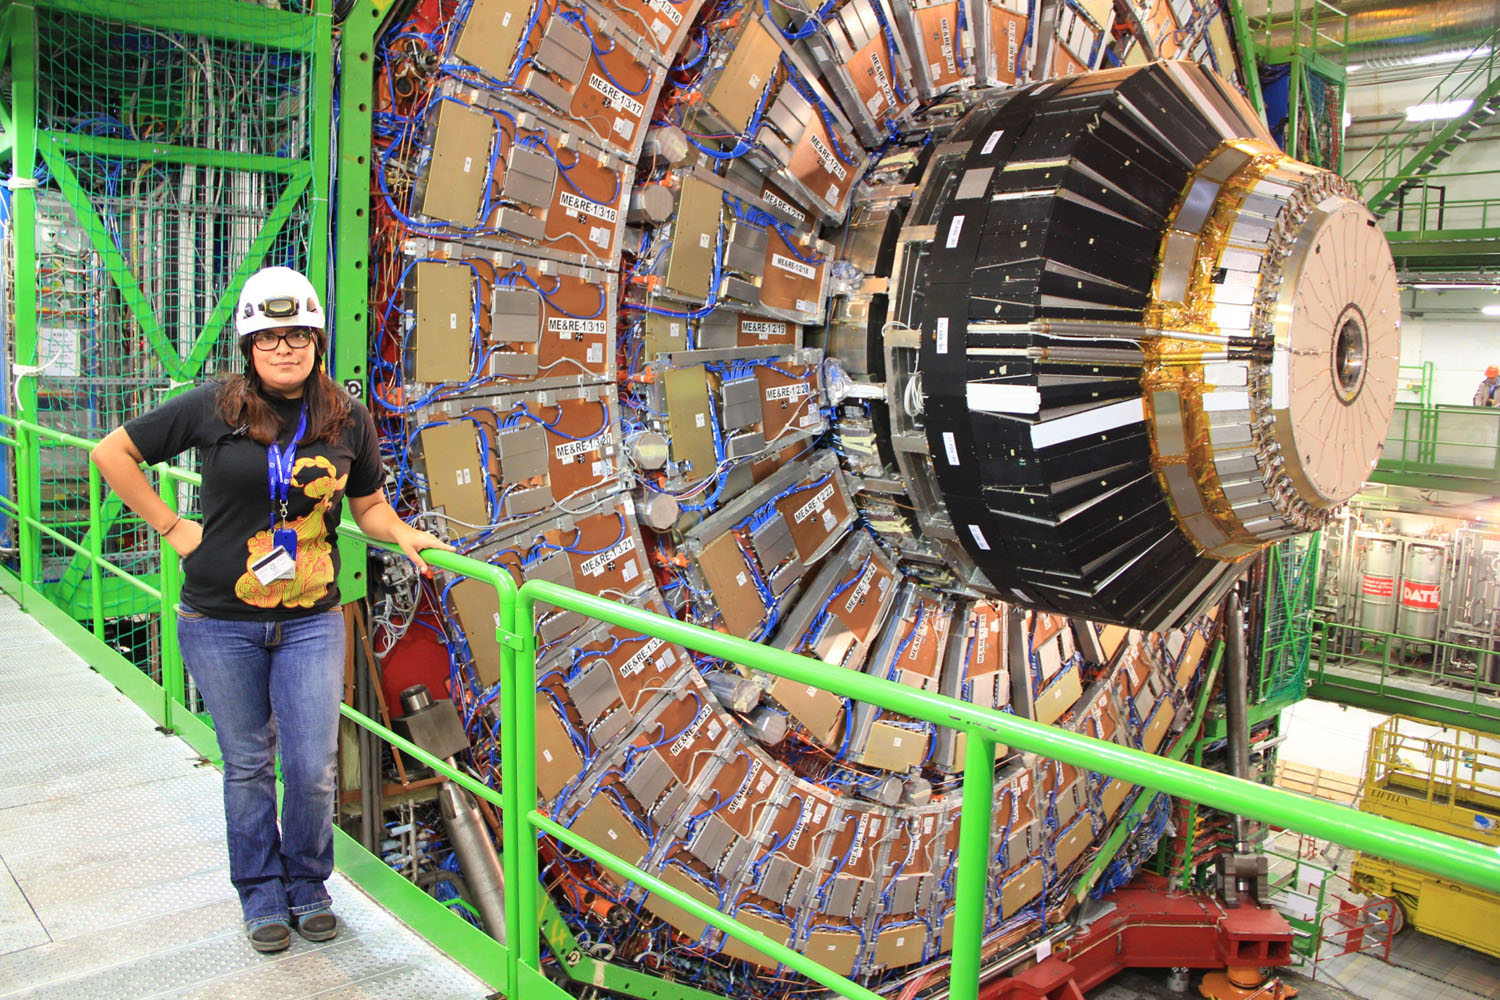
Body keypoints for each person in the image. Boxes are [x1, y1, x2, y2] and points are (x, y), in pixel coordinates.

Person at [91, 266, 453, 953]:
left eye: (297, 336)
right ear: (249, 346)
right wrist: (172, 528)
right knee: (250, 763)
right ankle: (260, 895)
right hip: (219, 621)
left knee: (312, 764)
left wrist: (401, 531)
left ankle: (308, 884)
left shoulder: (347, 417)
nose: (285, 349)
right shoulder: (214, 406)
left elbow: (368, 504)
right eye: (270, 337)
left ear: (316, 340)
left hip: (312, 619)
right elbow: (115, 453)